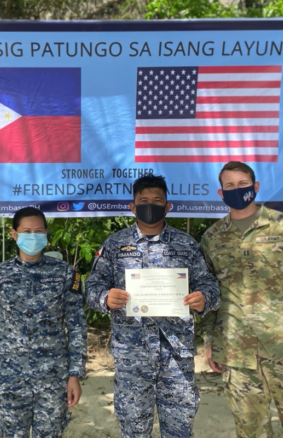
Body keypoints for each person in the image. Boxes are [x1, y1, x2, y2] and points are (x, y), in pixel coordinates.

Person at [200, 161, 283, 438]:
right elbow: (210, 296)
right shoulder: (212, 238)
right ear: (220, 192)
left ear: (255, 187)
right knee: (251, 433)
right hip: (237, 357)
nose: (237, 190)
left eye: (242, 184)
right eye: (230, 186)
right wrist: (209, 342)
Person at [85, 174, 220, 438]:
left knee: (179, 429)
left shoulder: (186, 245)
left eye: (157, 200)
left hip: (176, 353)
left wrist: (204, 298)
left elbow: (210, 285)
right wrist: (105, 299)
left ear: (168, 206)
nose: (150, 205)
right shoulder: (114, 245)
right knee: (134, 430)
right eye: (143, 200)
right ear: (132, 206)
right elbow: (92, 287)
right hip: (132, 355)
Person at [0, 207, 87, 438]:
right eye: (26, 231)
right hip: (8, 379)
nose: (33, 236)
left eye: (38, 231)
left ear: (46, 233)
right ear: (14, 234)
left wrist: (74, 375)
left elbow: (77, 327)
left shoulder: (65, 274)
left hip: (53, 379)